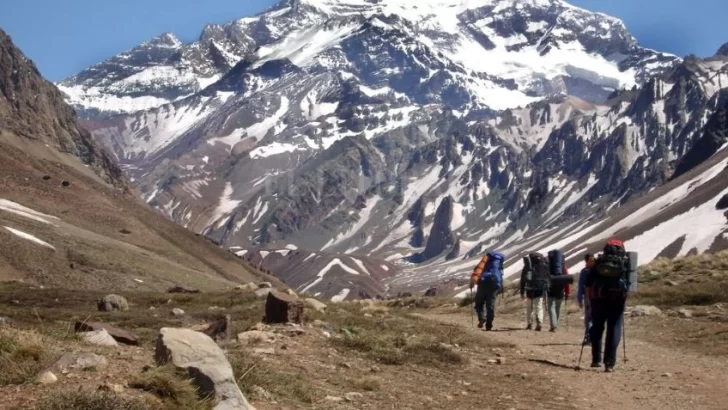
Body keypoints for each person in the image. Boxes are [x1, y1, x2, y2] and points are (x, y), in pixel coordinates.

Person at [586, 239, 631, 372]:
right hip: (617, 300)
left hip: (598, 300)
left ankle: (596, 359)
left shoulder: (598, 262)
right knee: (614, 328)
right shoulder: (625, 263)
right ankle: (609, 363)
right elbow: (630, 285)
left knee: (597, 328)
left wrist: (590, 301)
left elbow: (588, 283)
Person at [470, 251, 505, 331]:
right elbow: (501, 274)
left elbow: (479, 269)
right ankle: (489, 324)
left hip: (484, 282)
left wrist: (474, 281)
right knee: (490, 305)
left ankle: (482, 318)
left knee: (479, 303)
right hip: (495, 284)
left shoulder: (486, 258)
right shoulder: (499, 262)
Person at [520, 253, 549, 331]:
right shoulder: (544, 265)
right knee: (539, 306)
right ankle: (539, 322)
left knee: (529, 307)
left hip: (530, 288)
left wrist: (522, 292)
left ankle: (529, 324)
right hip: (540, 288)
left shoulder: (527, 266)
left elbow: (523, 280)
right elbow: (548, 277)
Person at [546, 256, 571, 332]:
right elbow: (567, 282)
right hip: (560, 291)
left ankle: (553, 325)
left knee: (551, 307)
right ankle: (555, 325)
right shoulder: (564, 268)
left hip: (551, 291)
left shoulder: (549, 267)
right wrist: (567, 292)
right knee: (557, 308)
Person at [577, 253, 596, 345]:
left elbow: (581, 286)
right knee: (595, 317)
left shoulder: (584, 272)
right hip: (599, 297)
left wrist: (579, 298)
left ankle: (588, 337)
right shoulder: (599, 270)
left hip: (588, 296)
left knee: (588, 318)